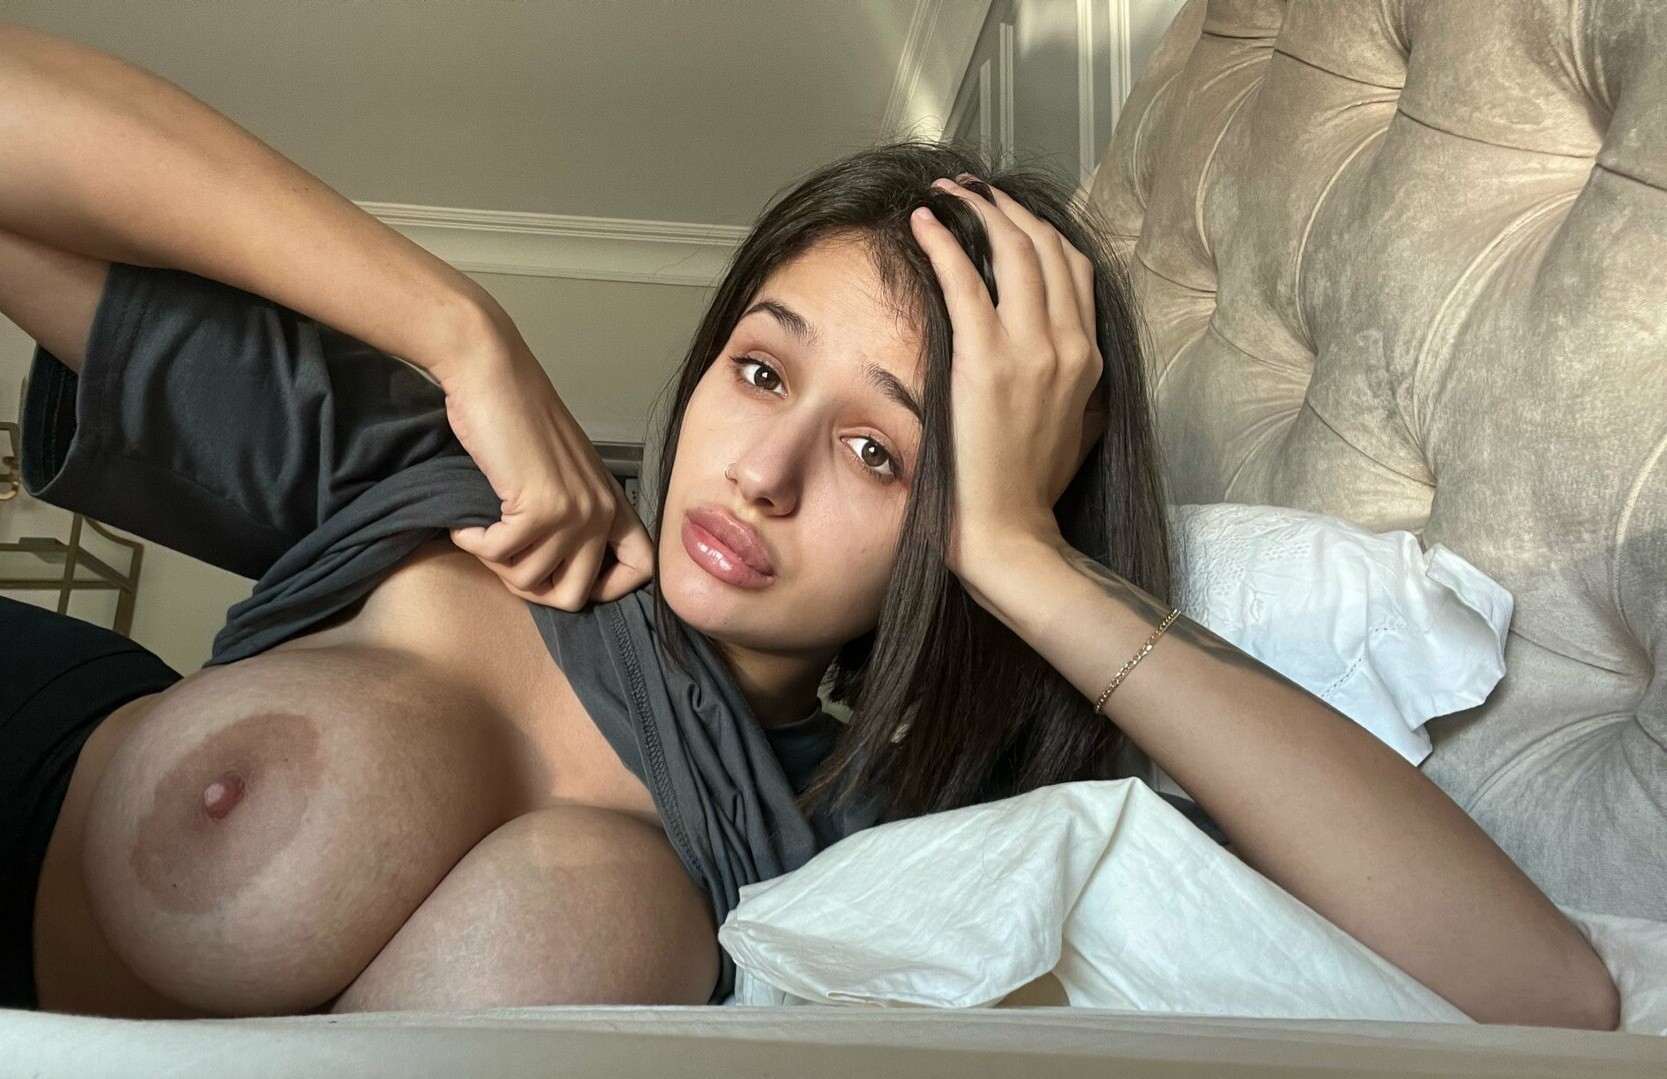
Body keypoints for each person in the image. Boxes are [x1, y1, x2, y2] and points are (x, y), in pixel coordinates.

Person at [0, 23, 1619, 1028]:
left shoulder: (890, 832)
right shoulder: (458, 481)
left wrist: (1024, 561)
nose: (763, 471)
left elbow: (1533, 995)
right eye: (761, 368)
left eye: (877, 454)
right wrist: (456, 329)